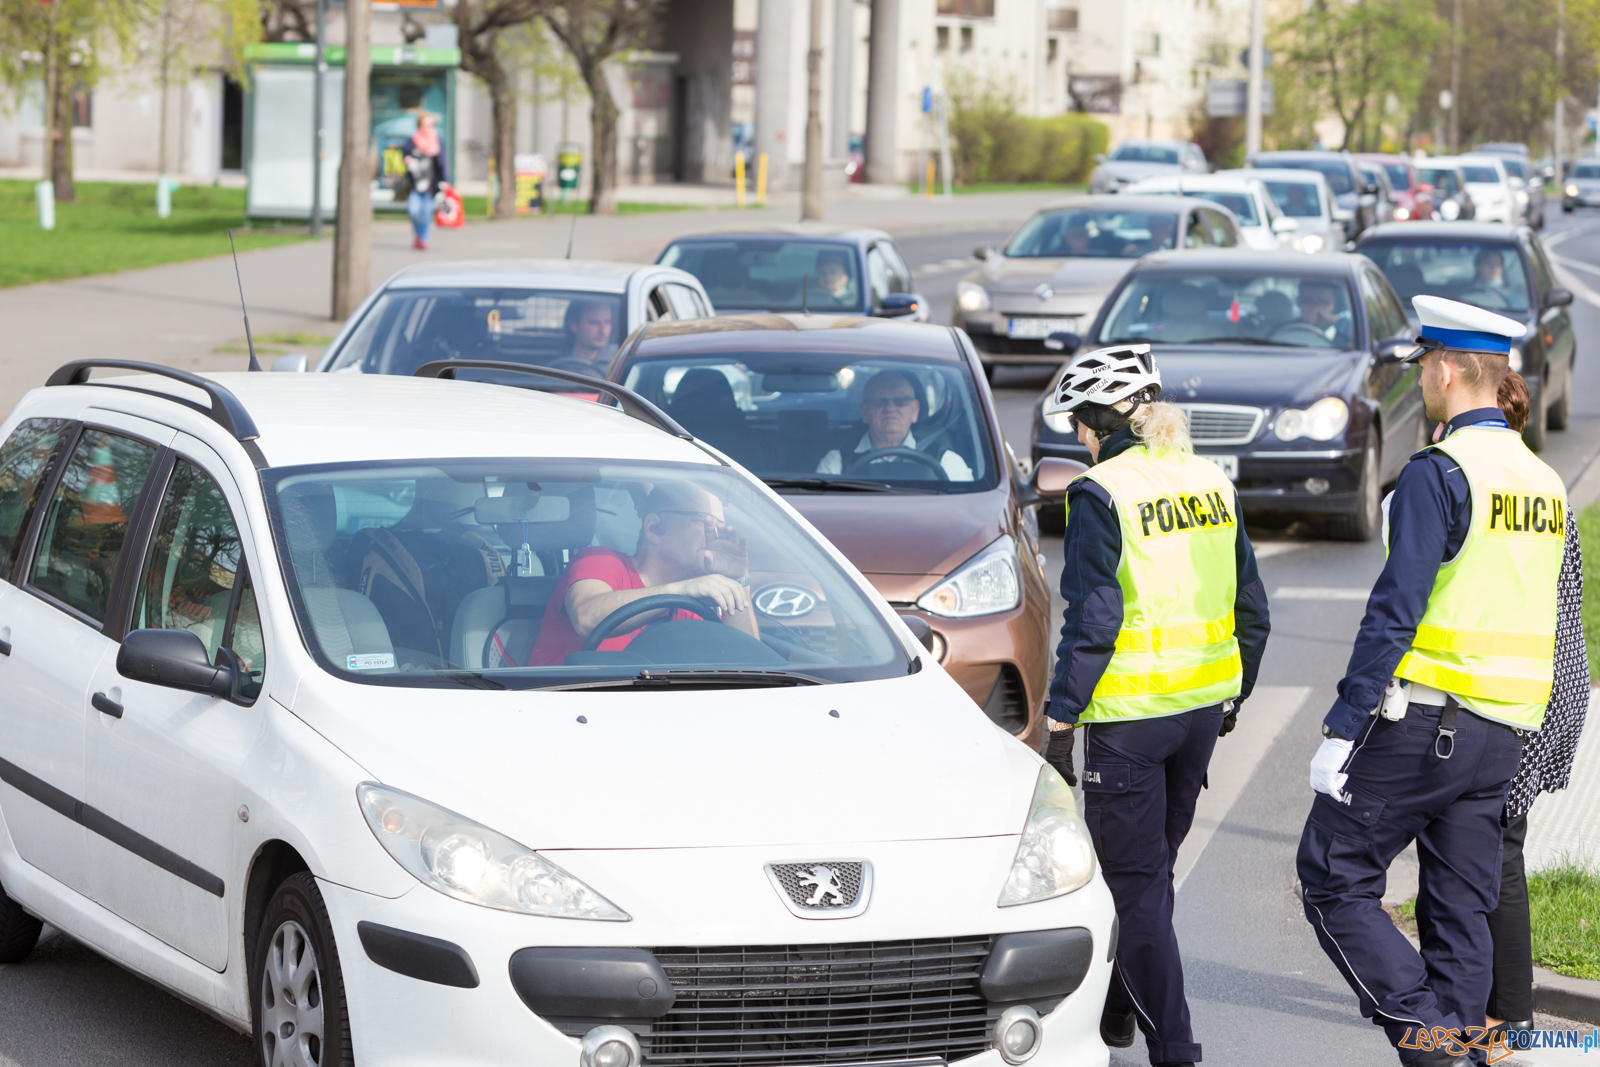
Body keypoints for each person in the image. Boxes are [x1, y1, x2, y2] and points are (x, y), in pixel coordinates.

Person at [1297, 296, 1566, 1067]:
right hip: (1501, 734)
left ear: (1447, 370)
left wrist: (1344, 726)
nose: (1420, 379)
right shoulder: (1542, 480)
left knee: (1332, 874)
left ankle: (1438, 1045)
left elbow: (1395, 610)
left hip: (1426, 722)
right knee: (1459, 912)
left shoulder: (1441, 471)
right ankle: (1462, 1049)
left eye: (1423, 366)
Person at [1042, 343, 1270, 1067]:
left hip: (1130, 722)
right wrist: (1233, 695)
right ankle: (1118, 1008)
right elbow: (1253, 610)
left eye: (1078, 424)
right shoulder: (1211, 480)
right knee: (1151, 876)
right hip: (1199, 714)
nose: (1078, 438)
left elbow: (1093, 620)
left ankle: (1175, 1049)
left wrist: (1059, 720)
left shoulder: (1100, 492)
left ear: (1098, 422)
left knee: (1134, 887)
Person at [1483, 372, 1590, 1042]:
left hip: (1526, 687)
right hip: (1562, 678)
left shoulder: (1493, 490)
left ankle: (1511, 1009)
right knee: (1501, 839)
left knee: (1496, 844)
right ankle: (1502, 1002)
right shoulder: (1547, 490)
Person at [526, 482, 757, 666]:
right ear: (654, 528)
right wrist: (680, 590)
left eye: (720, 525)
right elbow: (586, 617)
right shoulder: (601, 561)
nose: (715, 534)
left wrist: (738, 578)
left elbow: (748, 661)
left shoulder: (690, 609)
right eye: (702, 520)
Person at [816, 369, 973, 481]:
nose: (890, 408)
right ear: (864, 412)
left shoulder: (945, 461)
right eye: (879, 400)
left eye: (901, 400)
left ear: (915, 410)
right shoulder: (838, 462)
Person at [402, 113, 449, 251]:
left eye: (431, 124)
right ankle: (417, 234)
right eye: (425, 124)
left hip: (431, 185)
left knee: (427, 213)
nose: (427, 127)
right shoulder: (412, 140)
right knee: (414, 211)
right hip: (415, 184)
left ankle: (422, 239)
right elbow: (405, 154)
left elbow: (442, 163)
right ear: (419, 125)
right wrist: (408, 161)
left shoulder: (437, 141)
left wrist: (445, 181)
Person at [1296, 279, 1351, 346]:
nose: (1316, 307)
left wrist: (1335, 320)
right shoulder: (1287, 329)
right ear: (1298, 302)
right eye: (1308, 300)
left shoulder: (1345, 332)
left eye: (1322, 301)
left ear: (1332, 303)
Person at [563, 299, 616, 366]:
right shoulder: (559, 359)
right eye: (594, 322)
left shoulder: (620, 361)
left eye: (607, 322)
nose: (603, 331)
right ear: (574, 326)